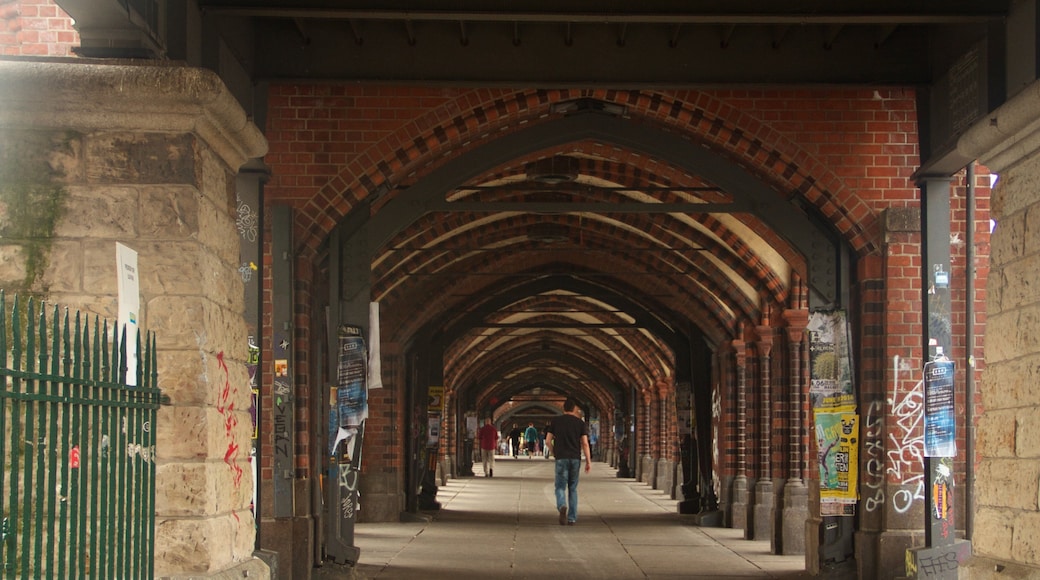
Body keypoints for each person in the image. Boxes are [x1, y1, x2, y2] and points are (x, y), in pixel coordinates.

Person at [545, 398, 591, 525]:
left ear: (563, 408)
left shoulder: (556, 421)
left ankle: (562, 505)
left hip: (561, 457)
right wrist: (588, 461)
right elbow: (585, 443)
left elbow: (547, 441)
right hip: (575, 458)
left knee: (560, 487)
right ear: (574, 409)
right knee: (573, 488)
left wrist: (554, 452)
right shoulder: (580, 423)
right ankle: (572, 518)